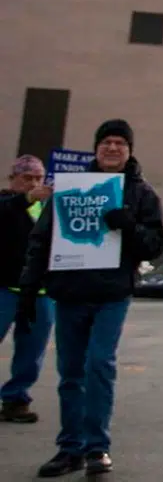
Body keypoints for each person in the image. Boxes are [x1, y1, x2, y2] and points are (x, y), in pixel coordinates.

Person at [20, 120, 163, 477]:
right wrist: (28, 288)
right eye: (106, 142)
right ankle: (69, 448)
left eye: (120, 142)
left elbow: (157, 245)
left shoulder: (141, 193)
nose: (113, 148)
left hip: (111, 295)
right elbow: (41, 241)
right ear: (96, 148)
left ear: (129, 150)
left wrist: (128, 225)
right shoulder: (69, 190)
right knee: (70, 374)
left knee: (99, 365)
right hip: (69, 294)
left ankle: (97, 448)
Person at [1, 155, 54, 424]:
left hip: (40, 292)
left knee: (32, 349)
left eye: (38, 178)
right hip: (5, 287)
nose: (34, 183)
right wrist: (26, 199)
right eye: (27, 178)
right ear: (13, 180)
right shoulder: (7, 203)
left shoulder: (46, 208)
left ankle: (15, 398)